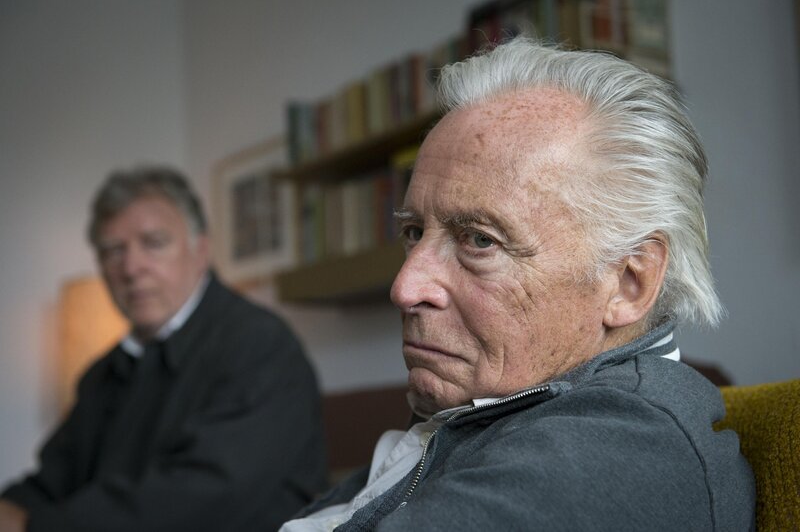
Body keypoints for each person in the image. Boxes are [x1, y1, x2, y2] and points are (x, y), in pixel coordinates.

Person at [281, 38, 755, 530]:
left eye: (480, 241)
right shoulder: (478, 410)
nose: (405, 287)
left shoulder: (622, 453)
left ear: (629, 282)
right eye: (415, 232)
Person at [0, 167, 328, 532]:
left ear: (200, 250)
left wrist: (34, 526)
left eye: (154, 243)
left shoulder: (261, 346)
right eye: (113, 251)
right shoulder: (102, 374)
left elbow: (198, 500)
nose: (131, 267)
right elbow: (51, 483)